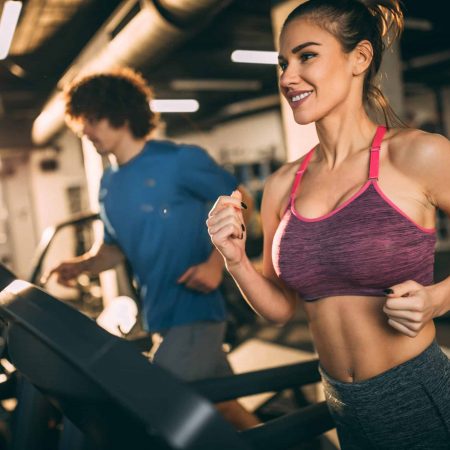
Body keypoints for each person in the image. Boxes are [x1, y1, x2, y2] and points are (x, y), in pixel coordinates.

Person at [207, 0, 450, 448]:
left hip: (416, 395)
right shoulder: (282, 184)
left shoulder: (417, 155)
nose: (286, 77)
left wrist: (438, 298)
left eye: (307, 56)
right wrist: (235, 259)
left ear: (359, 58)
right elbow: (282, 309)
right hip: (343, 403)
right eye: (282, 63)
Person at [46, 67, 259, 430]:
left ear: (121, 114)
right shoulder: (109, 183)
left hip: (196, 312)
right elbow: (115, 249)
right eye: (82, 121)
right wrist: (81, 266)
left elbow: (242, 201)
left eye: (93, 119)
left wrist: (216, 262)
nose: (85, 130)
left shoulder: (178, 161)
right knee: (224, 409)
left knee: (152, 412)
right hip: (160, 316)